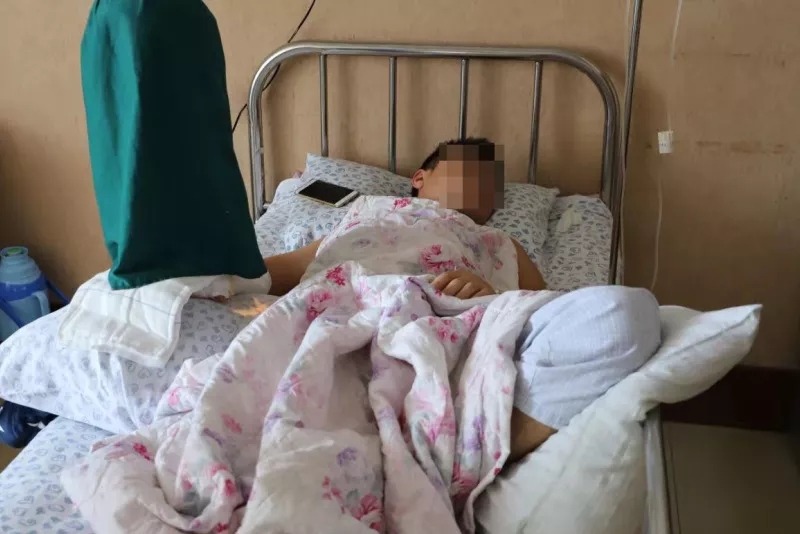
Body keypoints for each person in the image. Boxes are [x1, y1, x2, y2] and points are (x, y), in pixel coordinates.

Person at [264, 138, 546, 297]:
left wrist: (488, 296)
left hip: (443, 317)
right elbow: (303, 263)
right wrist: (240, 276)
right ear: (420, 178)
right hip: (346, 300)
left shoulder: (497, 241)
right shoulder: (374, 209)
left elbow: (545, 310)